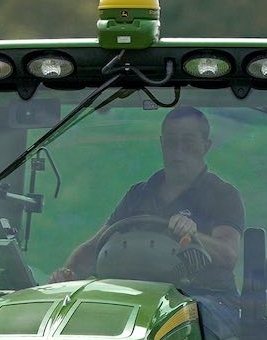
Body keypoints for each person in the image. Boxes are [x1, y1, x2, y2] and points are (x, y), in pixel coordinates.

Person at [51, 107, 244, 298]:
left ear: (206, 146)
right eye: (171, 142)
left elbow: (228, 254)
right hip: (140, 298)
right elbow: (94, 249)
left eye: (188, 142)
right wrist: (66, 281)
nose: (178, 151)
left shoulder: (223, 195)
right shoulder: (138, 195)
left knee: (179, 326)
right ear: (162, 144)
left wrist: (194, 235)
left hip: (208, 300)